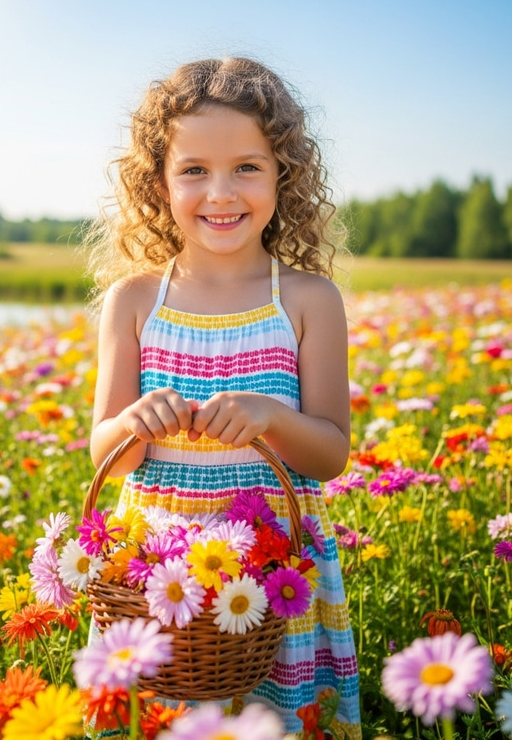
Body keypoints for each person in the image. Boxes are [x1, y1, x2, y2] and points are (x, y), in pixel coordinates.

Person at [88, 57, 361, 739]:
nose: (220, 192)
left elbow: (330, 454)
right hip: (157, 581)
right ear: (159, 182)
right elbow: (103, 454)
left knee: (274, 723)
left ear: (282, 175)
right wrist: (132, 425)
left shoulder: (305, 300)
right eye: (193, 170)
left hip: (272, 585)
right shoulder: (134, 301)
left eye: (247, 166)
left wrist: (272, 418)